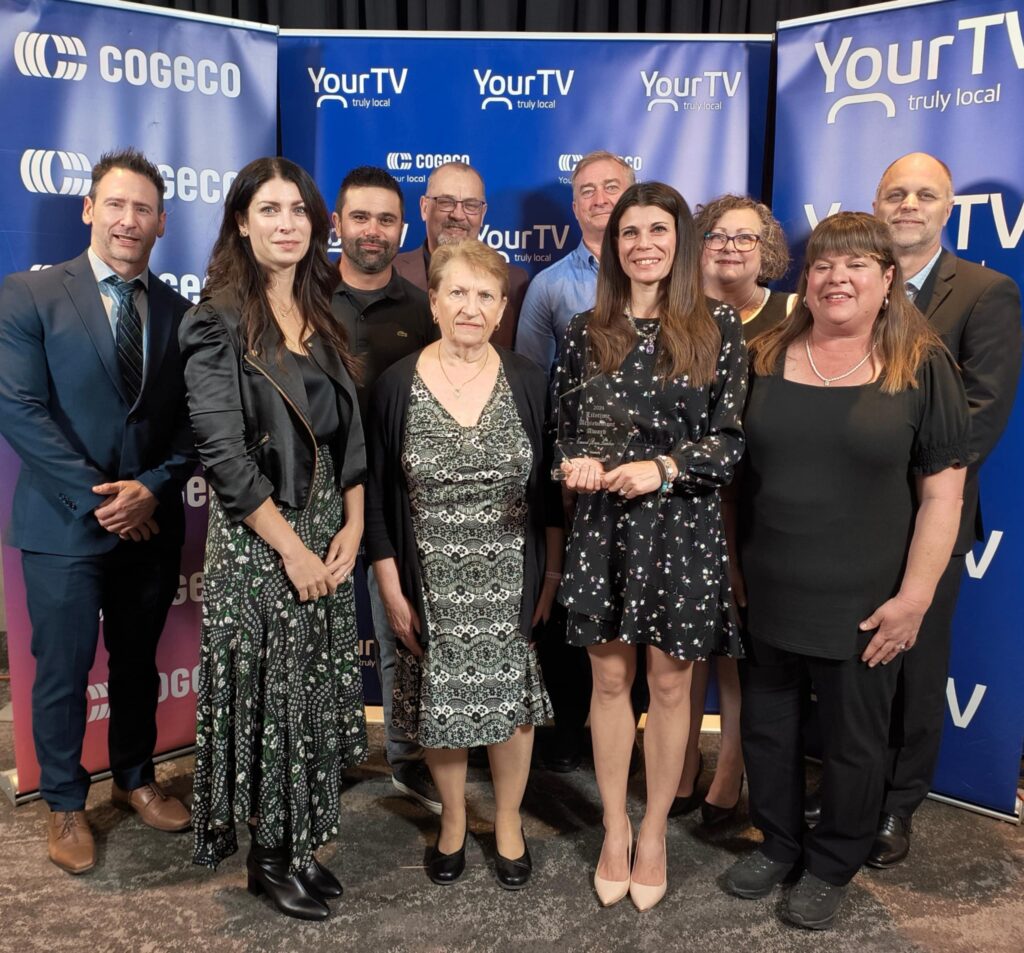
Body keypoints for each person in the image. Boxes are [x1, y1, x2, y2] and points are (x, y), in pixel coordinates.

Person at [724, 212, 969, 930]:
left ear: (888, 280)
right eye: (824, 265)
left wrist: (914, 598)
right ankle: (778, 843)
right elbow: (734, 480)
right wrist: (733, 567)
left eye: (857, 264)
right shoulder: (762, 355)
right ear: (806, 279)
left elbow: (943, 495)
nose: (837, 278)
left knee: (855, 742)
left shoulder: (921, 366)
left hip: (867, 601)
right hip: (769, 588)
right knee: (767, 728)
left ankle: (833, 861)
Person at [180, 157, 368, 921]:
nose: (286, 224)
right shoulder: (216, 319)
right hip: (262, 542)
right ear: (241, 222)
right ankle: (267, 856)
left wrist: (355, 520)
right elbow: (224, 456)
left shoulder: (325, 310)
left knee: (311, 694)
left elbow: (348, 431)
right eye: (269, 209)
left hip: (326, 530)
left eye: (298, 210)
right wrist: (291, 548)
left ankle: (299, 842)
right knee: (272, 699)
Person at [0, 148, 195, 875]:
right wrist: (105, 501)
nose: (128, 219)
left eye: (143, 208)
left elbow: (193, 429)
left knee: (138, 662)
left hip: (150, 523)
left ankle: (136, 778)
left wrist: (150, 489)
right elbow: (18, 410)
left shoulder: (181, 314)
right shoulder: (29, 294)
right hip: (62, 525)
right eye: (115, 204)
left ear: (162, 223)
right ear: (89, 209)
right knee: (64, 669)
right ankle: (63, 802)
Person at [555, 182, 746, 911]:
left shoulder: (717, 326)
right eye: (629, 231)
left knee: (670, 687)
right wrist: (574, 466)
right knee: (609, 684)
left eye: (657, 230)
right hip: (602, 530)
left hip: (684, 529)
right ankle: (614, 826)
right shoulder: (585, 329)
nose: (643, 244)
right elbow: (561, 435)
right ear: (613, 245)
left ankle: (656, 831)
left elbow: (729, 444)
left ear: (680, 241)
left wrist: (663, 467)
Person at [366, 239, 558, 890]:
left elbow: (548, 495)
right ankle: (452, 819)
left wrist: (550, 573)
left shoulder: (528, 380)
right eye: (457, 292)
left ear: (502, 309)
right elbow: (380, 498)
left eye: (485, 295)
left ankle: (506, 821)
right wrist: (390, 584)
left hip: (510, 575)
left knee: (511, 702)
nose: (470, 307)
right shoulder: (396, 384)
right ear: (434, 301)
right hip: (429, 577)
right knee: (439, 701)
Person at [865, 152, 1022, 867]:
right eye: (896, 193)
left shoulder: (987, 293)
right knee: (858, 663)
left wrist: (898, 485)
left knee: (916, 667)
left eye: (924, 195)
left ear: (947, 208)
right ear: (876, 204)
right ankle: (853, 786)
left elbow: (982, 415)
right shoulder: (853, 284)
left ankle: (897, 803)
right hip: (848, 520)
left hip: (931, 516)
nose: (908, 205)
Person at [671, 194, 793, 825]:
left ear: (765, 249)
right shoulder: (677, 314)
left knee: (740, 649)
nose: (730, 248)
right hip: (693, 496)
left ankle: (729, 772)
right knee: (687, 644)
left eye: (746, 238)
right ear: (699, 245)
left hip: (765, 500)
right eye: (717, 236)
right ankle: (681, 763)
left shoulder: (792, 314)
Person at [514, 150, 636, 773]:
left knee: (638, 610)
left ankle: (629, 738)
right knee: (574, 607)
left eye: (612, 186)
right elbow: (533, 387)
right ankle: (565, 736)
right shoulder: (550, 287)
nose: (600, 198)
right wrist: (558, 472)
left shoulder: (672, 281)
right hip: (576, 479)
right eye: (587, 189)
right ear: (574, 204)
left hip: (651, 481)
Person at [330, 166, 441, 814]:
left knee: (402, 636)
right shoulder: (305, 299)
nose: (373, 230)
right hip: (320, 500)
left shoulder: (422, 309)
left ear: (403, 228)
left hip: (396, 503)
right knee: (323, 636)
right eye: (360, 217)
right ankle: (332, 751)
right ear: (337, 224)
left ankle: (407, 757)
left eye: (385, 219)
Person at [393, 161, 529, 348]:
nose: (458, 215)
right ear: (424, 208)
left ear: (482, 213)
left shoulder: (515, 282)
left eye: (471, 205)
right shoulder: (390, 273)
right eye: (445, 202)